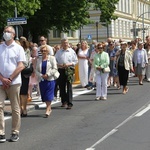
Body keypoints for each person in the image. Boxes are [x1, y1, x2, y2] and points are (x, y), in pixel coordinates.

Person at [0, 26, 26, 142]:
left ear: (13, 34)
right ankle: (1, 132)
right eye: (5, 31)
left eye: (8, 32)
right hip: (0, 82)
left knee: (15, 107)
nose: (6, 33)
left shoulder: (18, 48)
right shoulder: (0, 47)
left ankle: (15, 132)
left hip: (14, 82)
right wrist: (2, 78)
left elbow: (21, 65)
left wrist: (9, 79)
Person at [55, 38, 78, 109]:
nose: (65, 44)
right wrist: (59, 65)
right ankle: (64, 101)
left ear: (68, 43)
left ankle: (69, 102)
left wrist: (69, 64)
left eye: (66, 43)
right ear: (61, 44)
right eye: (64, 43)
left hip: (69, 69)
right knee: (61, 86)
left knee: (69, 86)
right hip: (61, 69)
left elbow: (75, 61)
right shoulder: (58, 52)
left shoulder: (71, 51)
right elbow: (55, 61)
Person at [35, 45, 58, 117]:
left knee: (49, 95)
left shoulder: (52, 58)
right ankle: (49, 107)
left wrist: (47, 74)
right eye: (42, 51)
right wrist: (41, 75)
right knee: (44, 95)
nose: (43, 52)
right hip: (42, 80)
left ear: (48, 51)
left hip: (50, 79)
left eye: (45, 51)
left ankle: (48, 109)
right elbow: (36, 70)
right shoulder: (39, 60)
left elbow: (55, 68)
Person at [19, 38, 31, 117]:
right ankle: (20, 109)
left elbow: (26, 63)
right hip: (16, 74)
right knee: (17, 93)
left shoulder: (26, 50)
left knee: (23, 93)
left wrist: (18, 66)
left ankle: (24, 108)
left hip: (23, 73)